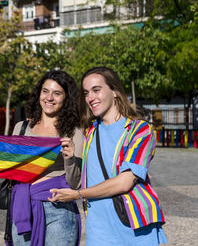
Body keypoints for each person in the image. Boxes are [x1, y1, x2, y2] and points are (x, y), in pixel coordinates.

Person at [49, 67, 168, 245]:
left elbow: (124, 182)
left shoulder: (140, 130)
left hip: (134, 228)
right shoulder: (89, 131)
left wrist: (77, 194)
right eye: (86, 92)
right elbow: (80, 180)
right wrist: (71, 158)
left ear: (115, 92)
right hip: (98, 230)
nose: (90, 98)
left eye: (97, 90)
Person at [9, 70, 83, 246]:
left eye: (57, 93)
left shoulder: (74, 132)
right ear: (39, 93)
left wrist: (70, 158)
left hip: (59, 208)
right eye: (45, 91)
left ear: (66, 98)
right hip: (23, 208)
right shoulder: (21, 128)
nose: (49, 98)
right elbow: (10, 172)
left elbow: (75, 184)